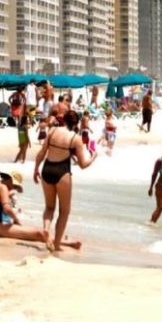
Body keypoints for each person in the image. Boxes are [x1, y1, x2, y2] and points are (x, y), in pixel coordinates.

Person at [33, 107, 97, 251]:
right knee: (64, 211)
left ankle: (46, 229)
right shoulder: (76, 139)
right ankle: (56, 245)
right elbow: (82, 164)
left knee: (49, 207)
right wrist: (93, 157)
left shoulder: (52, 131)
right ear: (76, 124)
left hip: (47, 169)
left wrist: (36, 168)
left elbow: (42, 152)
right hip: (62, 172)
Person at [0, 173, 83, 250]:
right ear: (9, 180)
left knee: (36, 233)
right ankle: (66, 242)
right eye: (14, 186)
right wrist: (16, 220)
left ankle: (61, 240)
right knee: (38, 233)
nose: (13, 188)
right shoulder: (3, 188)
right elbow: (7, 209)